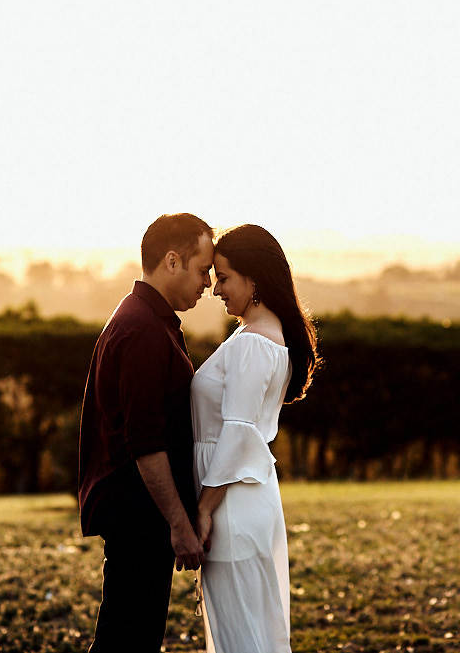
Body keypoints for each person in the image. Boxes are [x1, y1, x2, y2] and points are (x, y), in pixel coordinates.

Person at [77, 213, 215, 653]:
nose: (208, 283)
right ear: (172, 261)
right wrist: (179, 524)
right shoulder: (142, 331)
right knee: (127, 639)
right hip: (138, 515)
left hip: (140, 511)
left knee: (129, 636)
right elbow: (145, 442)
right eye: (202, 269)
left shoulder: (146, 320)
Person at [191, 224, 319, 653]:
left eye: (223, 277)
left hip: (231, 507)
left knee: (242, 640)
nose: (215, 289)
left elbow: (239, 431)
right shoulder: (259, 337)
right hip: (242, 500)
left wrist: (204, 510)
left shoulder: (253, 345)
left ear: (255, 279)